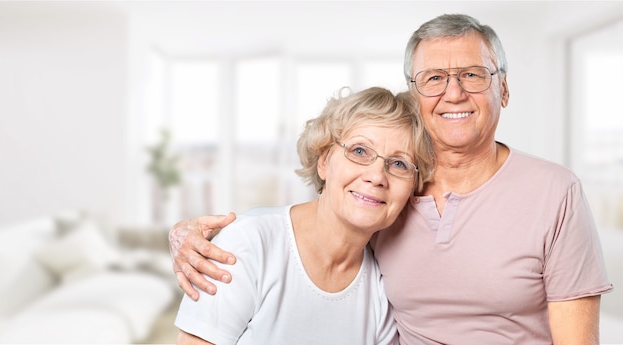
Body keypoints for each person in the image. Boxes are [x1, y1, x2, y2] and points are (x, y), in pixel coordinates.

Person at [169, 14, 613, 345]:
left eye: (473, 75)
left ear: (504, 88)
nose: (453, 92)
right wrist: (186, 235)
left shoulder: (556, 192)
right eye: (434, 78)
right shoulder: (384, 203)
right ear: (415, 95)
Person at [174, 86, 435, 345]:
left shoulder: (382, 288)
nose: (377, 176)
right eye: (359, 151)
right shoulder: (249, 242)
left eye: (399, 163)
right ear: (323, 162)